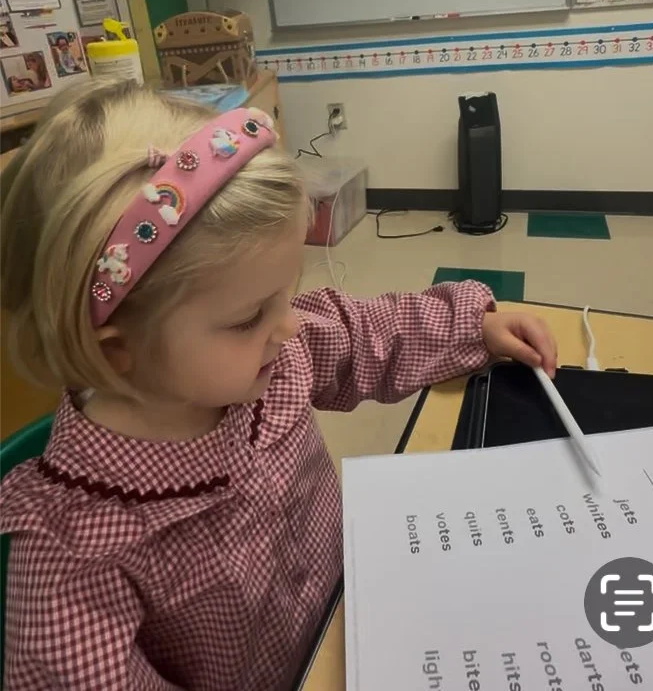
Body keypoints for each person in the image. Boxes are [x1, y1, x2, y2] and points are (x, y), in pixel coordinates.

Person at [0, 79, 557, 690]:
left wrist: (472, 325)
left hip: (361, 619)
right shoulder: (76, 558)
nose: (287, 326)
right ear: (120, 351)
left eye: (284, 295)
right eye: (247, 318)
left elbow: (360, 332)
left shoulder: (267, 360)